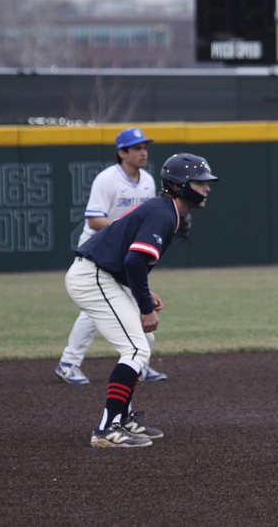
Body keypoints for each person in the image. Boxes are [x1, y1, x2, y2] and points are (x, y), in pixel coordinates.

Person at [65, 152, 218, 447]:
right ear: (180, 185)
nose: (207, 188)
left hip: (103, 275)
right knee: (135, 350)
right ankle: (107, 429)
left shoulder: (164, 209)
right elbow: (135, 262)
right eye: (200, 182)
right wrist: (145, 307)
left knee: (141, 346)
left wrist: (143, 292)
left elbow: (129, 260)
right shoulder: (163, 212)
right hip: (92, 277)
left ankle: (123, 416)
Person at [55, 127, 168, 384]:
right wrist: (125, 231)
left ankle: (140, 361)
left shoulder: (148, 181)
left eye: (145, 147)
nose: (143, 152)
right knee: (97, 310)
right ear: (122, 152)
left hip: (123, 256)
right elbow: (94, 220)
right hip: (97, 255)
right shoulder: (108, 179)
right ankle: (69, 362)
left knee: (130, 305)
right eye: (137, 148)